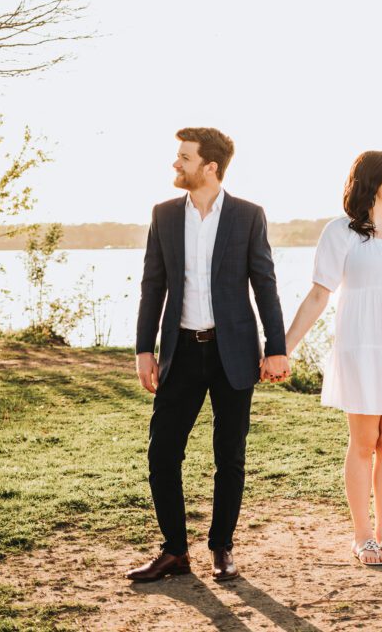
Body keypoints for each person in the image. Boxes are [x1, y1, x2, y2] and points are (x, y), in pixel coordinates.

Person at [126, 127, 290, 582]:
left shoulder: (248, 215)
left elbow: (265, 286)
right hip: (180, 351)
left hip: (232, 352)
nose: (176, 163)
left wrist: (276, 349)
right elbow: (152, 286)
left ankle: (221, 547)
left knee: (229, 455)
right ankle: (174, 551)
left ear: (210, 166)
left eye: (184, 157)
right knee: (162, 452)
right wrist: (144, 349)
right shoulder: (163, 215)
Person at [284, 150, 382, 566]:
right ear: (373, 180)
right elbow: (319, 294)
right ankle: (362, 536)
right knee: (364, 442)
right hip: (361, 347)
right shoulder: (340, 231)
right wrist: (283, 347)